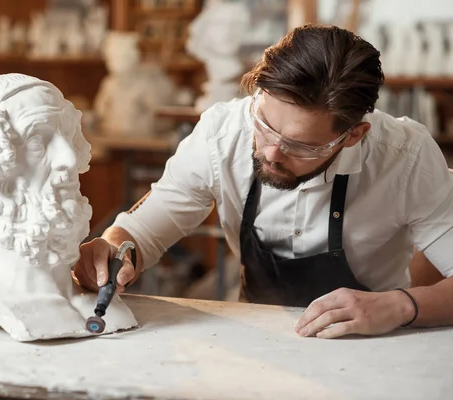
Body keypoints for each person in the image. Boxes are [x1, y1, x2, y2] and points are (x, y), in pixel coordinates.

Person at [73, 24, 453, 339]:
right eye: (265, 126)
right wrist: (112, 249)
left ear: (353, 135)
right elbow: (141, 232)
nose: (271, 153)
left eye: (300, 145)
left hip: (375, 342)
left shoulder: (406, 157)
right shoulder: (222, 134)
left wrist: (402, 305)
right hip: (257, 337)